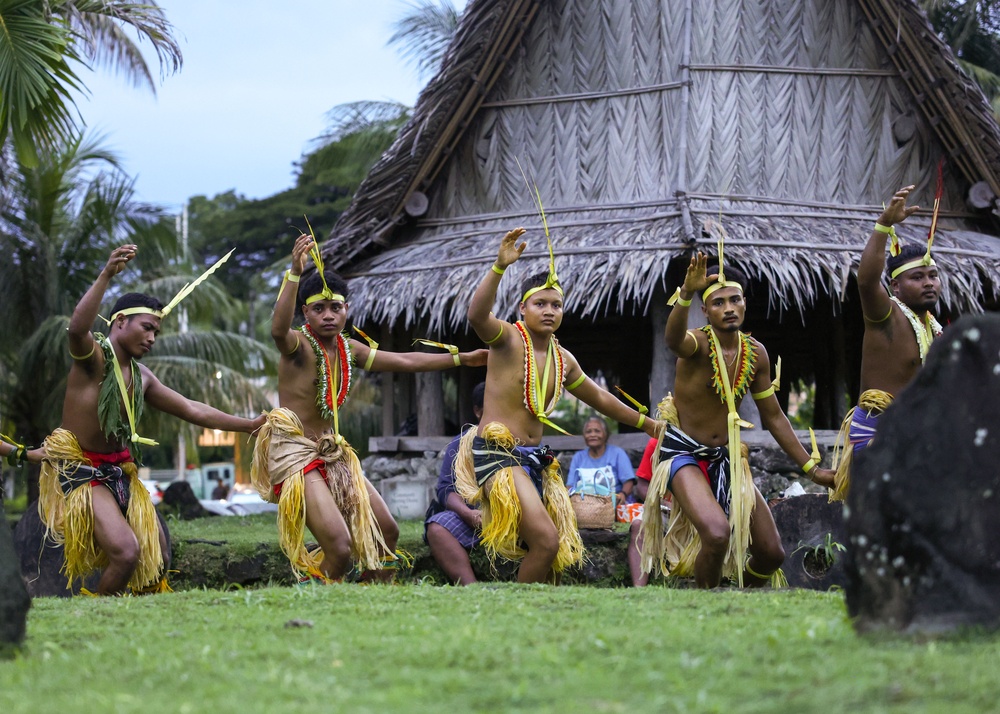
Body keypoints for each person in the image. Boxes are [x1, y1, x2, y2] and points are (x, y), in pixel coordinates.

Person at [252, 233, 487, 584]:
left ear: (347, 309)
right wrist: (294, 274)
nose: (329, 315)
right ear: (306, 312)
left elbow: (406, 361)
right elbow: (276, 329)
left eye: (336, 307)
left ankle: (370, 601)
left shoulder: (349, 350)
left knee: (387, 532)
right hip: (296, 454)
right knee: (340, 546)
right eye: (319, 308)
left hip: (332, 452)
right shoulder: (297, 346)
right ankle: (318, 606)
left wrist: (461, 358)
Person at [38, 244, 266, 595]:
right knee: (126, 552)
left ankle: (137, 615)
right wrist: (106, 275)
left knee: (155, 551)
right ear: (121, 322)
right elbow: (75, 329)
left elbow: (192, 409)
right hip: (83, 472)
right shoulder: (93, 360)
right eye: (147, 327)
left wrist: (247, 424)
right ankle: (97, 615)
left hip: (119, 470)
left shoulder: (142, 376)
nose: (152, 338)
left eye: (156, 331)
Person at [455, 227, 661, 584]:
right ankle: (517, 612)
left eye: (556, 305)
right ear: (523, 307)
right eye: (540, 303)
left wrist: (648, 424)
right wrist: (499, 268)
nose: (549, 311)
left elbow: (601, 399)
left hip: (533, 459)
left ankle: (528, 616)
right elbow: (476, 317)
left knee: (549, 546)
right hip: (498, 455)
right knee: (548, 541)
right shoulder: (506, 340)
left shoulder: (563, 359)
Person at [640, 254, 835, 589]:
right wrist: (687, 291)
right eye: (718, 302)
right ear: (706, 310)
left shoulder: (755, 353)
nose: (728, 307)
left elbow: (773, 416)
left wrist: (813, 470)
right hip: (684, 456)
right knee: (716, 533)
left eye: (735, 299)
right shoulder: (696, 344)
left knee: (772, 553)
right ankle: (709, 608)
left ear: (745, 303)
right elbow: (673, 340)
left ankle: (743, 600)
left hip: (728, 458)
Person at [831, 185, 943, 501]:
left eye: (932, 275)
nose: (928, 283)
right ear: (895, 284)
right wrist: (884, 225)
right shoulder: (887, 317)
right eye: (917, 277)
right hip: (881, 434)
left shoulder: (934, 330)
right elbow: (866, 281)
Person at [424, 382, 486, 586]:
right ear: (478, 411)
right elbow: (446, 488)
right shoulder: (460, 444)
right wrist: (468, 514)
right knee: (437, 528)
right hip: (474, 517)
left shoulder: (521, 442)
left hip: (516, 519)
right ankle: (471, 587)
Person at [566, 416, 636, 505]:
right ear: (584, 436)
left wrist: (623, 494)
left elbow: (628, 482)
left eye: (597, 431)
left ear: (605, 434)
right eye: (588, 432)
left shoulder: (617, 453)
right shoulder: (578, 457)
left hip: (613, 504)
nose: (592, 435)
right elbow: (570, 486)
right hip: (585, 506)